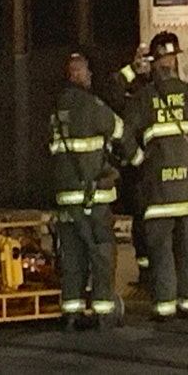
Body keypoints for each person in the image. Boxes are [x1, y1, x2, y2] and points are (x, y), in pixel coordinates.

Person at [119, 31, 188, 321]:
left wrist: (140, 161)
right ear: (174, 61)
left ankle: (165, 307)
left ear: (154, 64)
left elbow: (124, 137)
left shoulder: (143, 99)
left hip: (157, 189)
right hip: (187, 189)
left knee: (161, 249)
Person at [49, 53, 123, 332]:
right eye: (88, 73)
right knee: (101, 252)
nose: (91, 78)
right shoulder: (95, 107)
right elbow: (120, 132)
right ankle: (103, 312)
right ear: (81, 75)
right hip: (95, 198)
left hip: (66, 199)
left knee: (72, 256)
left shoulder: (57, 111)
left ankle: (71, 311)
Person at [104, 42, 152, 286]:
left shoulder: (156, 90)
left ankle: (154, 270)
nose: (145, 63)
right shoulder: (131, 90)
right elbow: (111, 91)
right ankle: (146, 271)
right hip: (139, 168)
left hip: (152, 166)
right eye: (141, 59)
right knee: (142, 220)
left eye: (148, 59)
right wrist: (132, 70)